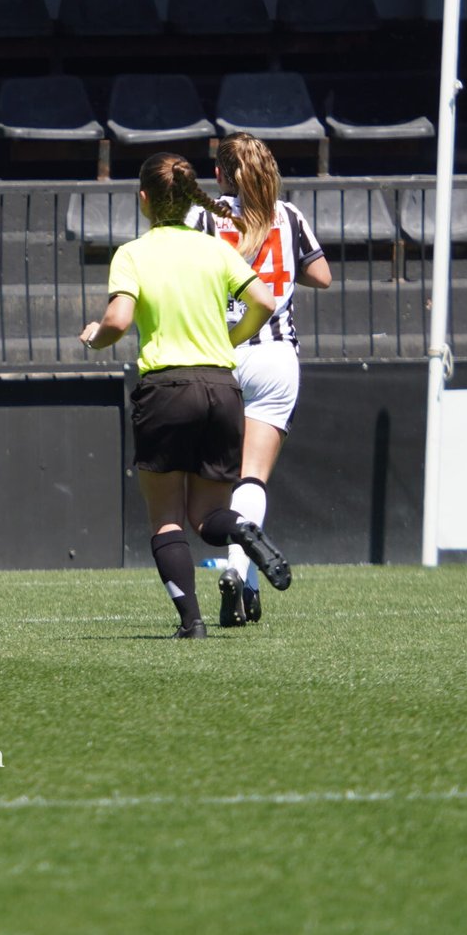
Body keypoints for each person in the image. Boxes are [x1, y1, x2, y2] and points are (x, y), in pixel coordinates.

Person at [80, 152, 292, 639]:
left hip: (167, 390)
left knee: (168, 521)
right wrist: (232, 340)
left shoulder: (134, 253)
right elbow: (263, 300)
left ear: (145, 199)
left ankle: (191, 622)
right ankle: (242, 530)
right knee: (210, 515)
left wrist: (95, 336)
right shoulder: (214, 249)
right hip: (222, 386)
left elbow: (118, 321)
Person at [187, 133, 331, 627]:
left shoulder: (201, 218)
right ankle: (241, 578)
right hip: (275, 356)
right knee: (252, 478)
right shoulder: (288, 216)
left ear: (221, 175)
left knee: (220, 482)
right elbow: (323, 276)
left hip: (217, 353)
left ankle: (243, 582)